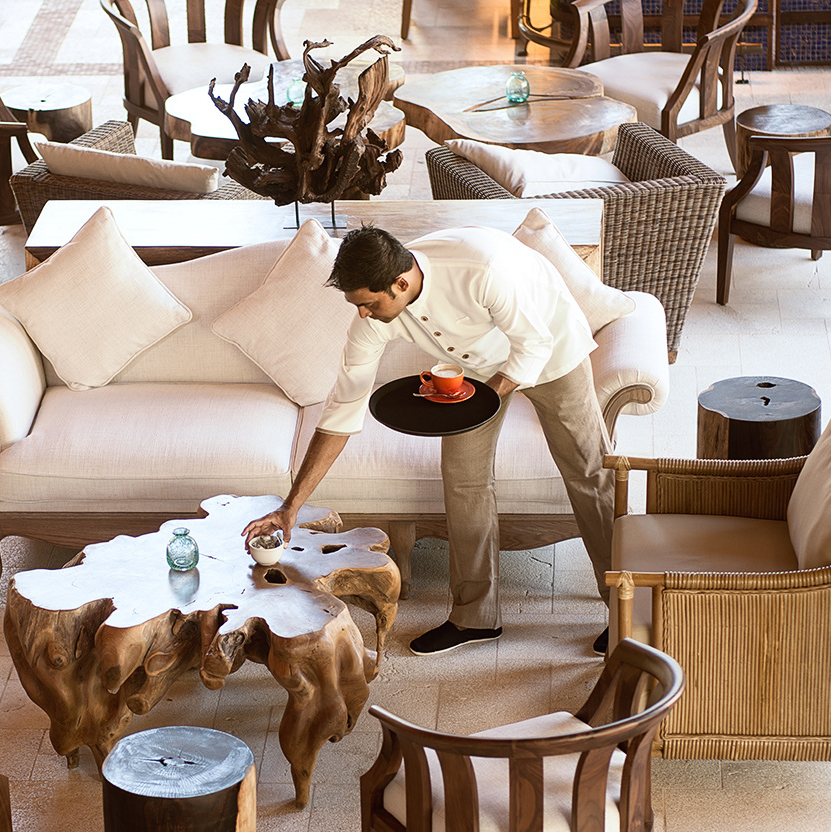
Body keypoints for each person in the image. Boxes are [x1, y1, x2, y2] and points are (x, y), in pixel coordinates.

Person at [242, 224, 615, 655]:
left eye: (368, 303)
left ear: (401, 283)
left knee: (589, 473)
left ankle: (627, 607)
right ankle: (476, 617)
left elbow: (533, 344)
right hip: (475, 366)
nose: (362, 314)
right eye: (356, 304)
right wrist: (290, 508)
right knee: (463, 478)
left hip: (550, 344)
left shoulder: (483, 270)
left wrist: (483, 400)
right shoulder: (372, 319)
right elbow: (341, 412)